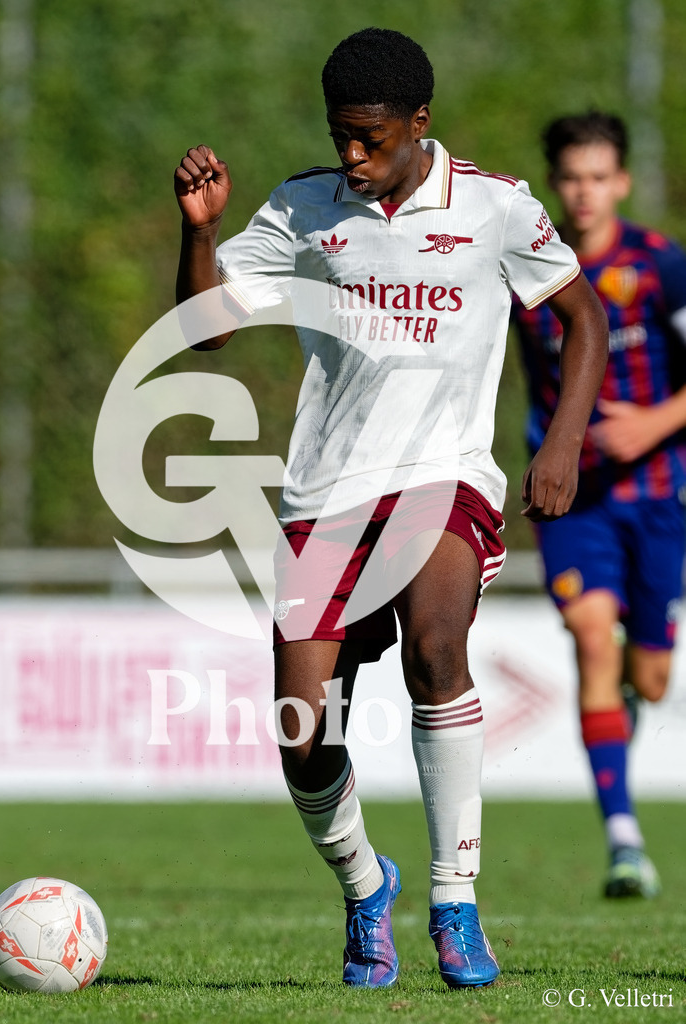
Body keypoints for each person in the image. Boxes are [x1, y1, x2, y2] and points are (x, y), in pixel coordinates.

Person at [174, 29, 607, 989]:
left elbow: (584, 317)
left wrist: (562, 441)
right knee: (300, 726)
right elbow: (205, 333)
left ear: (419, 123)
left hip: (443, 475)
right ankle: (366, 888)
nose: (352, 157)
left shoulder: (495, 207)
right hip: (324, 495)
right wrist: (199, 232)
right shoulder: (301, 208)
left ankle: (455, 902)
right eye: (340, 138)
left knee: (435, 648)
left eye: (369, 137)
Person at [512, 111, 686, 900]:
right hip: (572, 498)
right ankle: (623, 841)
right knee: (590, 636)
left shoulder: (659, 266)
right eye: (570, 178)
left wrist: (652, 422)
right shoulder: (524, 272)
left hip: (656, 497)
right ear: (555, 184)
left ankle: (625, 696)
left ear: (619, 181)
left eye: (597, 177)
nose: (583, 193)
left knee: (648, 680)